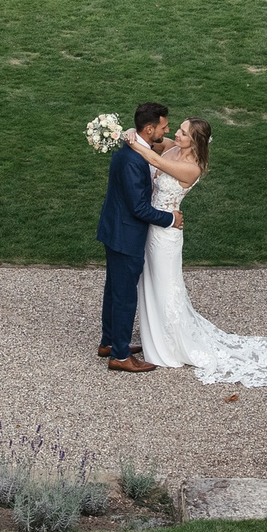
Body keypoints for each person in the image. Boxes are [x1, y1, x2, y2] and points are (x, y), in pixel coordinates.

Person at [125, 118, 267, 387]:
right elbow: (150, 142)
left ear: (195, 141)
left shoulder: (192, 168)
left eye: (182, 132)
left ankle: (169, 345)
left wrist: (132, 142)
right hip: (153, 226)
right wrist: (132, 132)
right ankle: (153, 337)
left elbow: (153, 160)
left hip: (166, 235)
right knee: (151, 284)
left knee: (166, 287)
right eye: (178, 129)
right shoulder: (172, 147)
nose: (175, 134)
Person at [95, 101, 177, 372]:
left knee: (114, 290)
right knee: (125, 296)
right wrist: (170, 219)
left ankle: (109, 341)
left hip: (114, 229)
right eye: (164, 127)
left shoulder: (131, 148)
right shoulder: (133, 161)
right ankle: (119, 356)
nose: (167, 130)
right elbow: (139, 208)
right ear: (150, 128)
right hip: (125, 236)